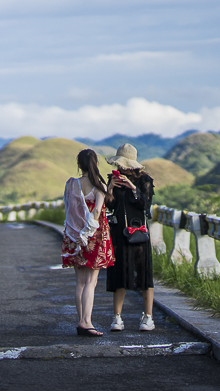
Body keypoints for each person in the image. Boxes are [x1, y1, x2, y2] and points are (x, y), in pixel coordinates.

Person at [62, 148, 116, 337]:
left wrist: (77, 235)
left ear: (79, 164)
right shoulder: (97, 185)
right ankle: (87, 322)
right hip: (94, 236)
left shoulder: (71, 184)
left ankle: (81, 321)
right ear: (96, 164)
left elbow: (69, 210)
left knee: (80, 282)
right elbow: (97, 212)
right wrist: (87, 235)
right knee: (91, 282)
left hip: (73, 235)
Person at [104, 143, 156, 332]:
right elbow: (110, 206)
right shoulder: (114, 179)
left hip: (139, 232)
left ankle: (148, 317)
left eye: (125, 165)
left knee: (144, 274)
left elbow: (146, 205)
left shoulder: (145, 180)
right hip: (119, 232)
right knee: (119, 274)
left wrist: (133, 187)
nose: (122, 168)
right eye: (120, 165)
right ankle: (117, 317)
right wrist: (109, 189)